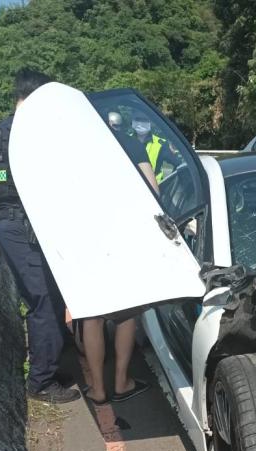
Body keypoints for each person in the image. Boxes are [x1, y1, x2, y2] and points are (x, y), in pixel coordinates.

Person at [0, 69, 81, 404]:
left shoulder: (2, 128)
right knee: (44, 301)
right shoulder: (29, 129)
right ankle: (40, 383)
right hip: (20, 223)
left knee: (44, 298)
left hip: (6, 222)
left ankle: (48, 367)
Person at [78, 107, 157, 405]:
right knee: (126, 313)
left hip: (87, 238)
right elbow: (152, 188)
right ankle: (122, 382)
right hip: (124, 235)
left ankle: (98, 390)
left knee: (92, 315)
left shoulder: (79, 147)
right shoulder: (130, 143)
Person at [130, 113, 181, 184]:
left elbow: (178, 163)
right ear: (132, 121)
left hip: (153, 189)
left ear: (150, 123)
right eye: (137, 119)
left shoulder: (161, 144)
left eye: (144, 120)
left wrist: (170, 184)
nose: (140, 123)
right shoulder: (125, 140)